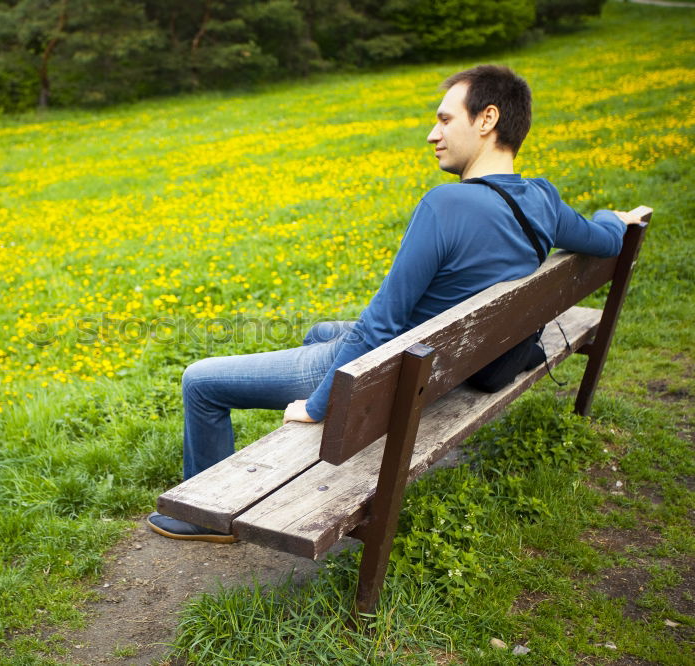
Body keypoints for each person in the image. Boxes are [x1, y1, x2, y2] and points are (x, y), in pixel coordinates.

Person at [147, 64, 644, 544]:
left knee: (201, 381)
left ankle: (206, 517)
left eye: (445, 119)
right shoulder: (543, 199)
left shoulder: (445, 205)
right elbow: (605, 239)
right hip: (447, 363)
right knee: (323, 330)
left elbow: (380, 325)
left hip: (391, 370)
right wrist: (611, 215)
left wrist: (319, 406)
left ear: (487, 120)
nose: (433, 133)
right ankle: (293, 407)